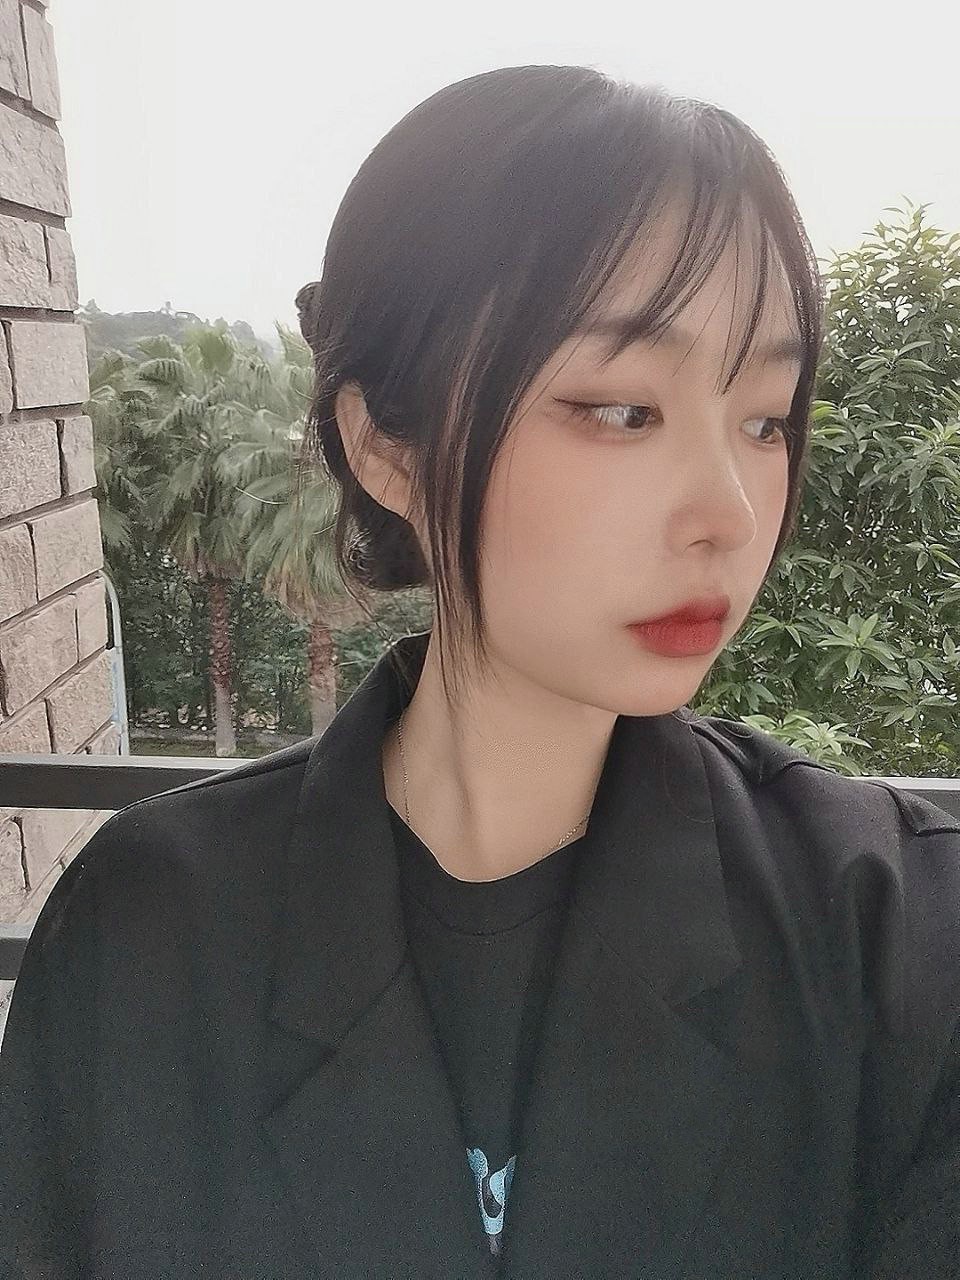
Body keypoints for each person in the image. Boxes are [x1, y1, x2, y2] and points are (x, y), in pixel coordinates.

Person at [2, 64, 959, 1280]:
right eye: (622, 410)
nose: (729, 510)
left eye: (765, 418)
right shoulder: (148, 931)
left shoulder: (894, 932)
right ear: (385, 445)